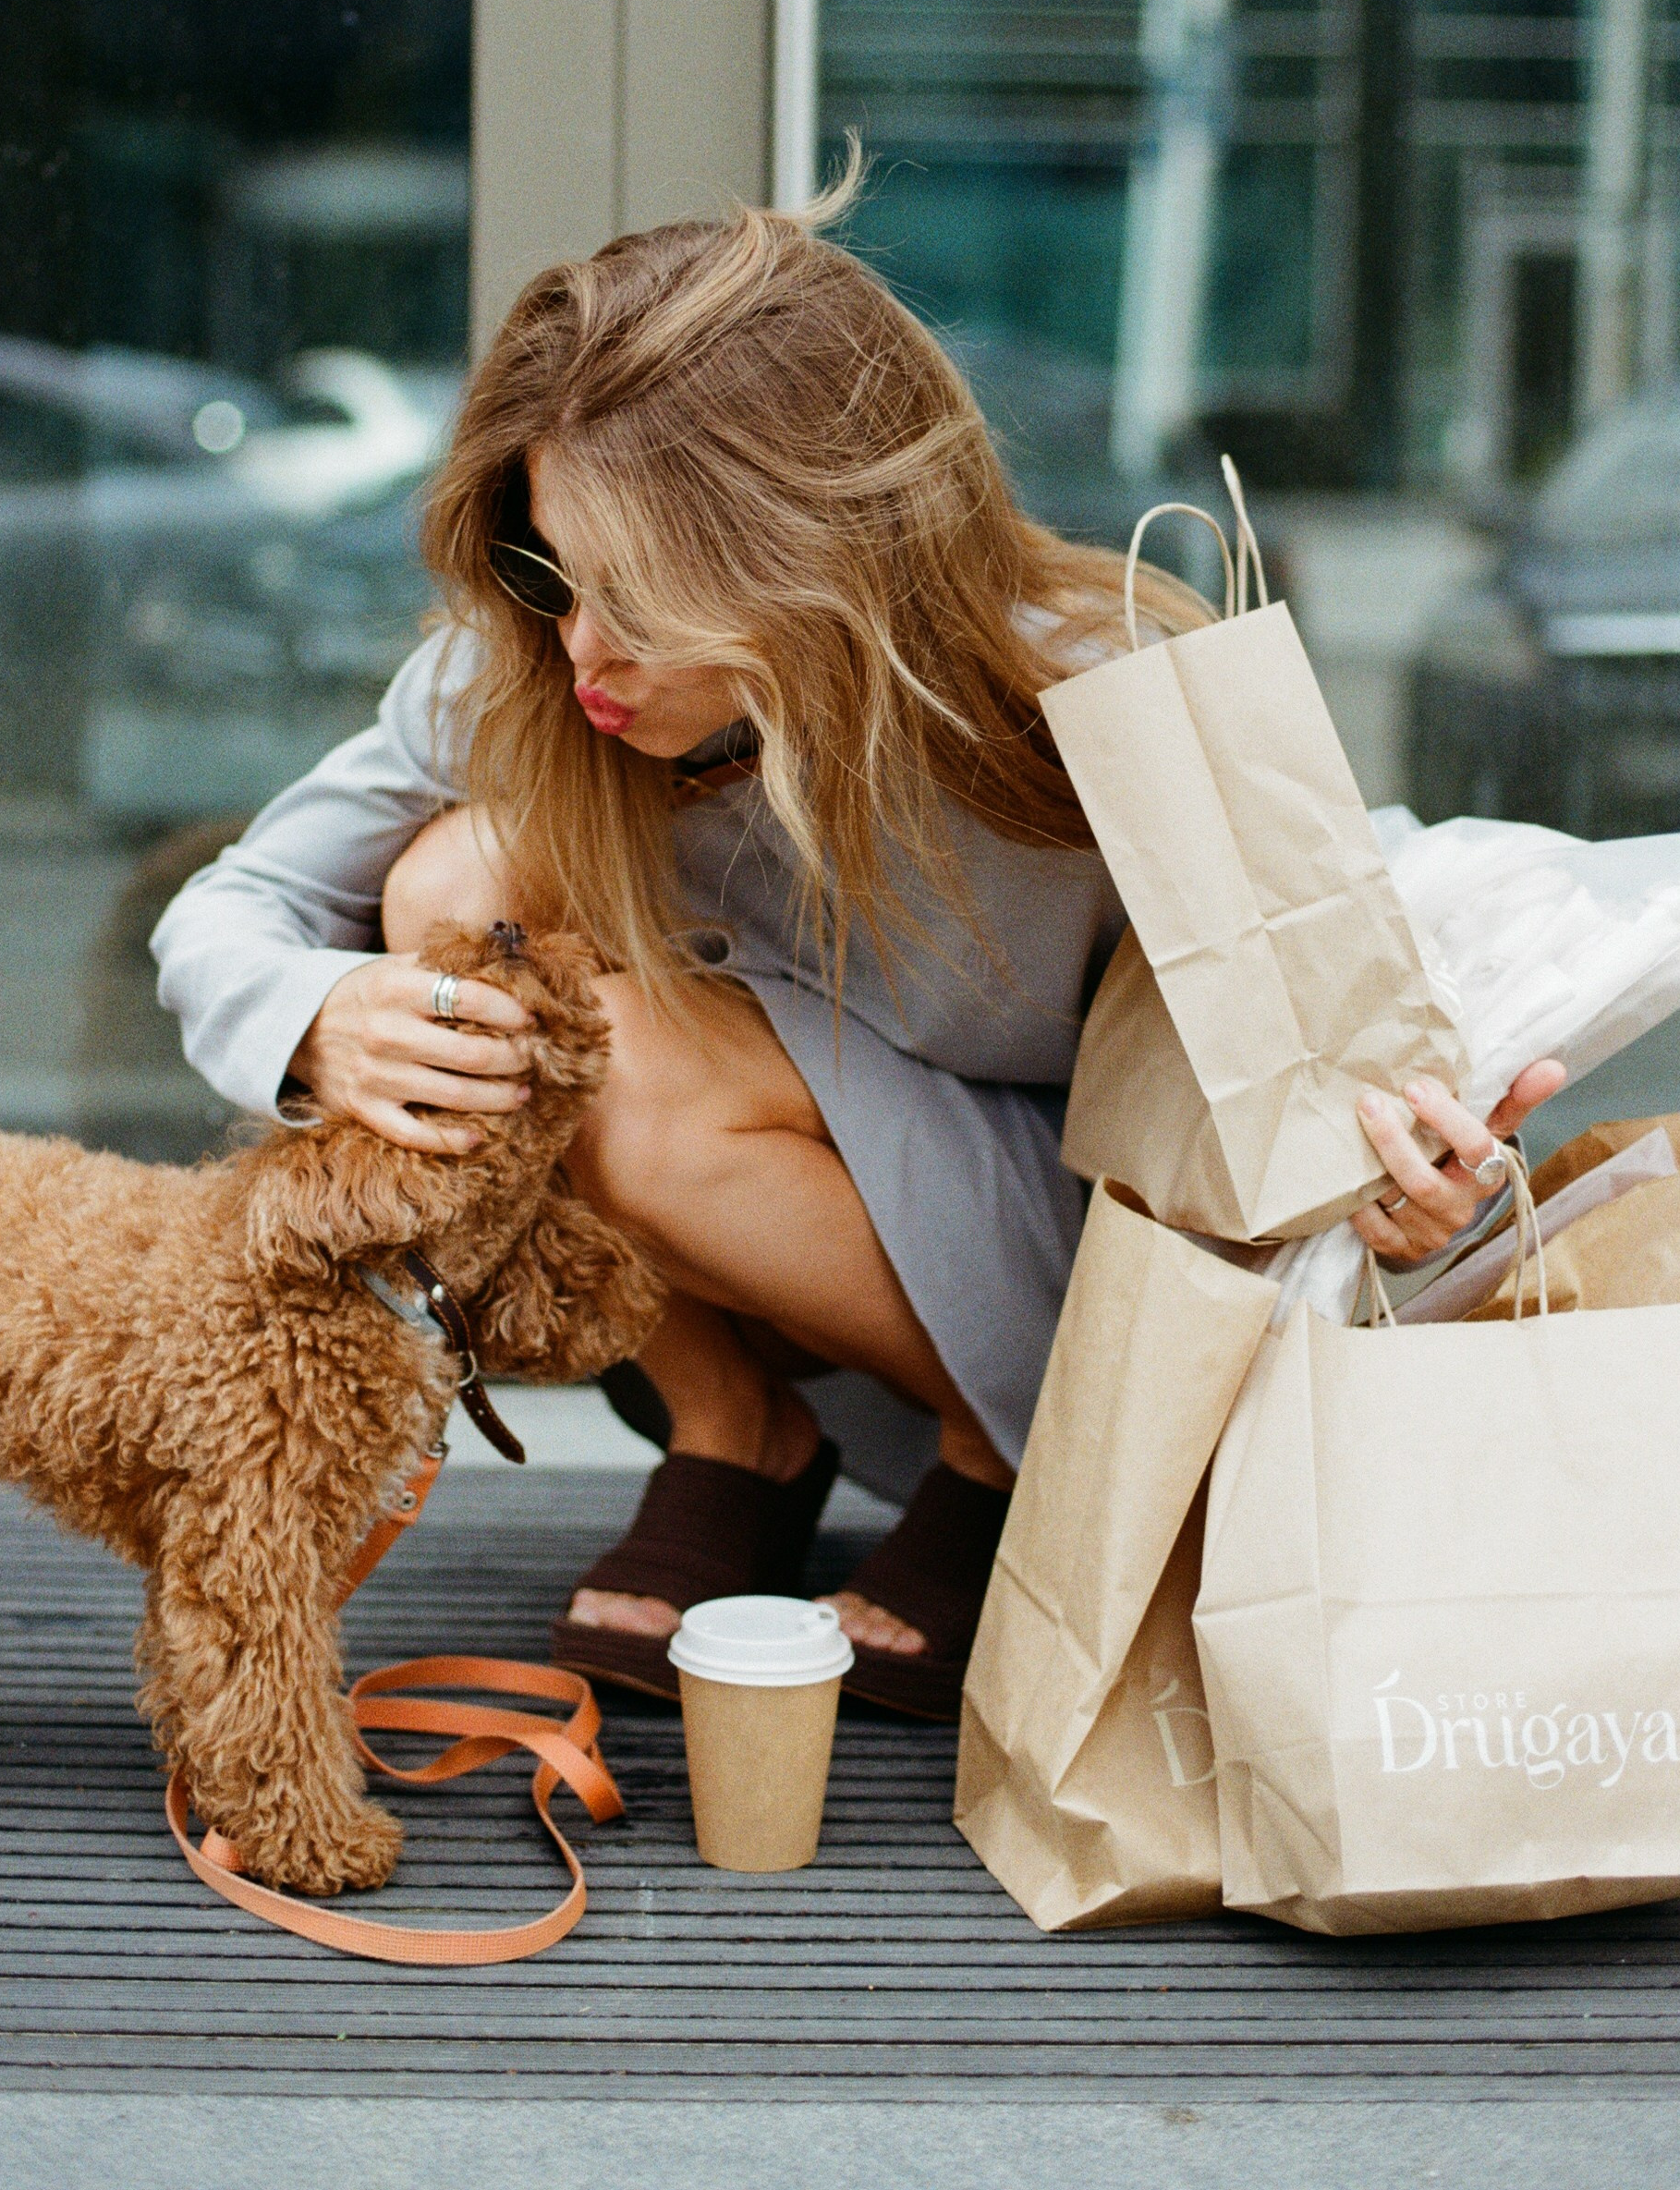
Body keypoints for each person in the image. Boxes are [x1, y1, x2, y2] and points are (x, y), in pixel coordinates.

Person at [152, 173, 1562, 1720]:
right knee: (446, 893)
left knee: (613, 1067)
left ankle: (1005, 1467)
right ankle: (733, 1426)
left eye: (642, 594)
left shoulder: (1095, 687)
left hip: (1069, 1271)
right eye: (553, 572)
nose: (582, 650)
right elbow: (231, 911)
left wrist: (1413, 1186)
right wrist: (325, 1012)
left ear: (809, 553)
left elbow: (1352, 996)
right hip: (768, 1238)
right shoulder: (526, 680)